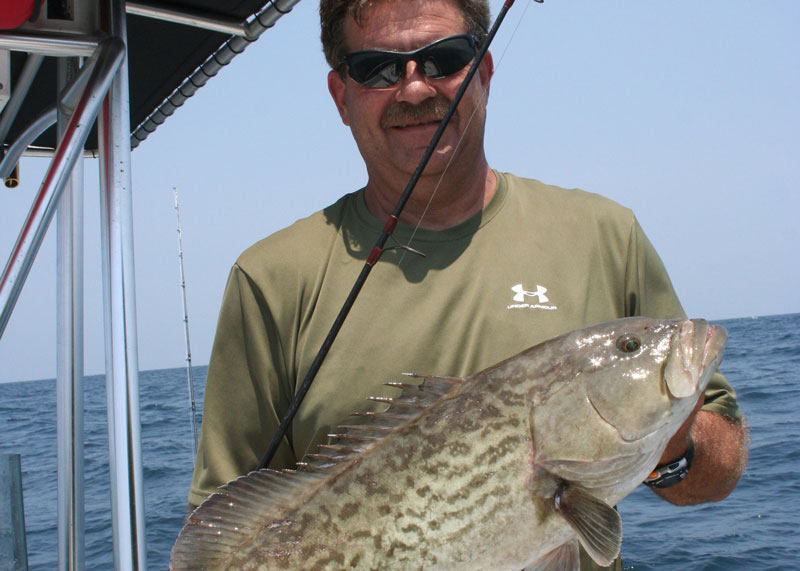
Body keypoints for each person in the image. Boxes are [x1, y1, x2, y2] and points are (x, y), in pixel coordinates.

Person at [188, 0, 748, 567]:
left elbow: (717, 470)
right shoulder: (270, 280)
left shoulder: (606, 236)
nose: (413, 89)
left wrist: (669, 450)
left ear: (482, 72)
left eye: (444, 59)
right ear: (340, 95)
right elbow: (222, 534)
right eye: (377, 69)